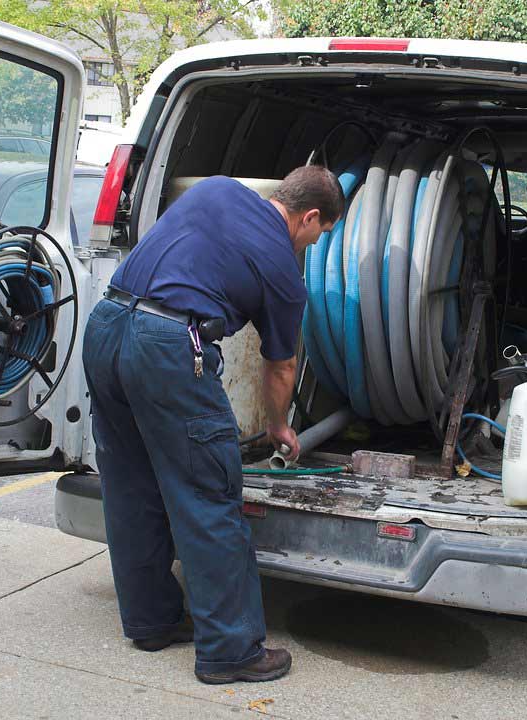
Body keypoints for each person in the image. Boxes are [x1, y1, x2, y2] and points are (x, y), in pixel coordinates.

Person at [81, 165, 344, 684]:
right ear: (310, 216)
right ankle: (231, 650)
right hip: (169, 346)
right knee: (208, 495)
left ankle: (151, 621)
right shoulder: (284, 274)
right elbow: (282, 365)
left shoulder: (219, 188)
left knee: (132, 487)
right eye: (321, 233)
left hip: (107, 324)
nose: (315, 243)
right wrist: (278, 426)